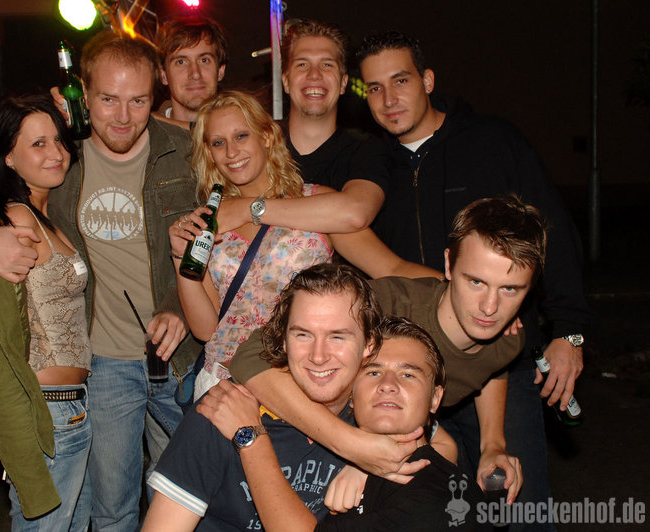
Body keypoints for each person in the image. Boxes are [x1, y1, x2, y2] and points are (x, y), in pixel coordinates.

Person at [0, 32, 199, 531]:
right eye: (108, 99)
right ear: (80, 95)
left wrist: (178, 305)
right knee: (110, 510)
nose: (123, 116)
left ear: (155, 96)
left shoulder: (184, 150)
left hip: (180, 358)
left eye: (139, 100)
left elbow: (225, 228)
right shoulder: (60, 153)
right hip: (103, 365)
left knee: (191, 499)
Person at [355, 31, 595, 528]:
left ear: (427, 80)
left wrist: (569, 330)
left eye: (400, 80)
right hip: (409, 374)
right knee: (439, 513)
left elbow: (552, 232)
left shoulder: (491, 142)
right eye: (374, 88)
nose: (388, 98)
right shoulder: (372, 167)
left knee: (518, 505)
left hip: (496, 360)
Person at [231, 196, 549, 505]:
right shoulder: (387, 304)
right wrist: (352, 447)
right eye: (476, 282)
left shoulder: (510, 338)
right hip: (294, 436)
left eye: (510, 289)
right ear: (449, 265)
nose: (490, 307)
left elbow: (493, 364)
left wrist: (492, 444)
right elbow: (248, 356)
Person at [169, 91, 436, 400]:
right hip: (224, 384)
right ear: (209, 152)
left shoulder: (315, 203)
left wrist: (457, 288)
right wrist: (179, 255)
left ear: (266, 136)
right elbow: (206, 329)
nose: (231, 151)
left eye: (242, 135)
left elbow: (391, 268)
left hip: (303, 381)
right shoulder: (210, 221)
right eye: (218, 142)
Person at [140, 263, 386, 531]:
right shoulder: (223, 410)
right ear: (283, 341)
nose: (318, 356)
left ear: (369, 344)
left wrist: (364, 464)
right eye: (303, 335)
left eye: (337, 337)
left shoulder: (377, 417)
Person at [201, 315, 490, 531]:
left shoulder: (438, 500)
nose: (388, 384)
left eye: (408, 375)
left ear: (435, 399)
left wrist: (250, 437)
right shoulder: (335, 461)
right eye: (373, 372)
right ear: (351, 394)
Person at [0, 93, 92, 530]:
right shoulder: (15, 221)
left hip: (73, 408)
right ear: (8, 157)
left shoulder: (44, 213)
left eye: (57, 140)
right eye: (37, 144)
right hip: (47, 414)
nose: (55, 152)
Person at [212, 21, 388, 246]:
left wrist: (247, 209)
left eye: (327, 65)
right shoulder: (255, 143)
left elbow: (356, 212)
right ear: (285, 81)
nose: (314, 75)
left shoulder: (366, 151)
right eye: (303, 64)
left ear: (344, 83)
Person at [155, 16, 228, 124]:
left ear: (220, 71)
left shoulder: (248, 129)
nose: (195, 74)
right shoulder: (142, 133)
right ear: (163, 75)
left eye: (204, 60)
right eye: (181, 62)